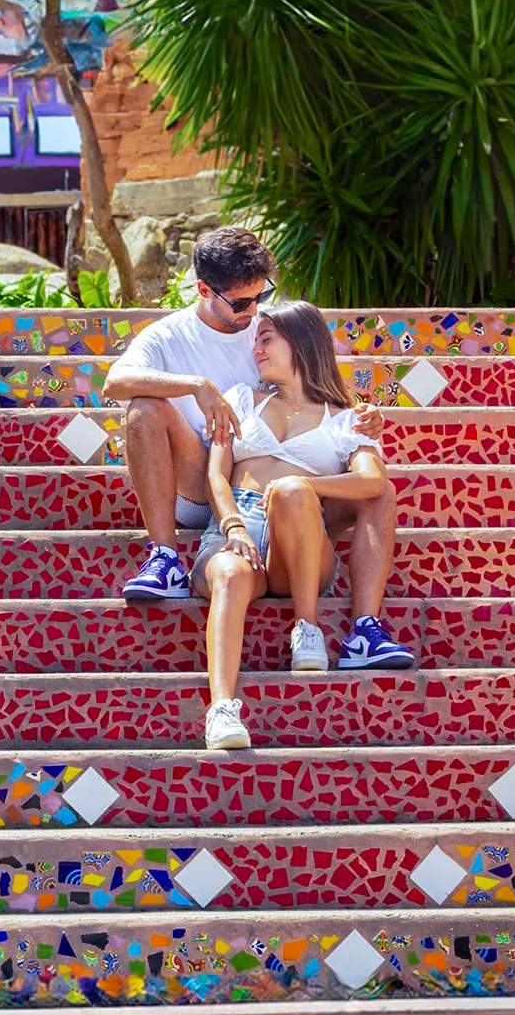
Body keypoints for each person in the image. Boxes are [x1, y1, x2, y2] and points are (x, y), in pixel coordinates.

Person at [103, 226, 414, 670]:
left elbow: (313, 377)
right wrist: (196, 388)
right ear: (204, 289)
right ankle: (166, 556)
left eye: (261, 295)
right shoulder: (169, 336)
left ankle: (365, 629)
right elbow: (115, 382)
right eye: (242, 303)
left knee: (379, 491)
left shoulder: (267, 325)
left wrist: (359, 418)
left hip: (298, 500)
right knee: (144, 408)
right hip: (209, 481)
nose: (254, 312)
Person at [192, 301, 394, 749]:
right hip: (237, 522)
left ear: (300, 342)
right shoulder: (241, 399)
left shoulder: (343, 418)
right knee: (227, 574)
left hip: (299, 543)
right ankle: (222, 711)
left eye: (267, 338)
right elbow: (214, 474)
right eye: (257, 341)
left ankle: (307, 627)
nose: (257, 349)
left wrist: (305, 482)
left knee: (291, 490)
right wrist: (232, 526)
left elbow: (373, 481)